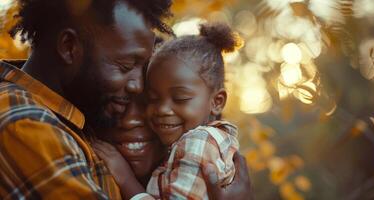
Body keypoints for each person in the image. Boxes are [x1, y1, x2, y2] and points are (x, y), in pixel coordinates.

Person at [0, 0, 251, 199]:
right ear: (69, 47)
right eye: (125, 65)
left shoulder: (74, 118)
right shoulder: (25, 122)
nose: (137, 85)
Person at [93, 22, 245, 199]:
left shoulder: (199, 143)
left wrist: (126, 179)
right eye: (154, 100)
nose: (163, 110)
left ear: (217, 102)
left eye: (180, 98)